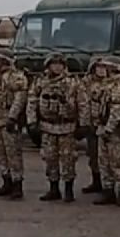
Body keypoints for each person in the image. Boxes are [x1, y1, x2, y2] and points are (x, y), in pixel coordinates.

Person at [27, 53, 83, 202]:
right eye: (54, 64)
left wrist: (84, 124)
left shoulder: (73, 83)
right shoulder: (41, 82)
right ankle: (53, 188)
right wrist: (31, 122)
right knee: (50, 158)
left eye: (60, 64)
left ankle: (69, 189)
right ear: (48, 66)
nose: (57, 67)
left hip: (67, 126)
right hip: (47, 126)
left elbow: (82, 103)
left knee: (68, 158)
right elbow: (32, 101)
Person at [0, 52, 28, 199]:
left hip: (8, 119)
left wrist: (13, 117)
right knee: (0, 153)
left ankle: (17, 183)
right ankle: (6, 180)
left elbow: (19, 99)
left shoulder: (15, 77)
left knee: (13, 153)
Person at [92, 57, 120, 207]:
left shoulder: (119, 86)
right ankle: (108, 190)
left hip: (115, 130)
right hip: (103, 127)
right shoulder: (106, 85)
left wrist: (109, 128)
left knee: (118, 161)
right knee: (104, 162)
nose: (102, 70)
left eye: (105, 67)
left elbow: (118, 110)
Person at [79, 57, 106, 195]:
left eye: (104, 67)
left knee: (110, 156)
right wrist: (84, 124)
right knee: (93, 154)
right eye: (98, 67)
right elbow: (83, 104)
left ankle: (110, 184)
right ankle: (97, 181)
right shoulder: (86, 83)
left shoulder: (113, 82)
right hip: (92, 125)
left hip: (108, 126)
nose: (101, 70)